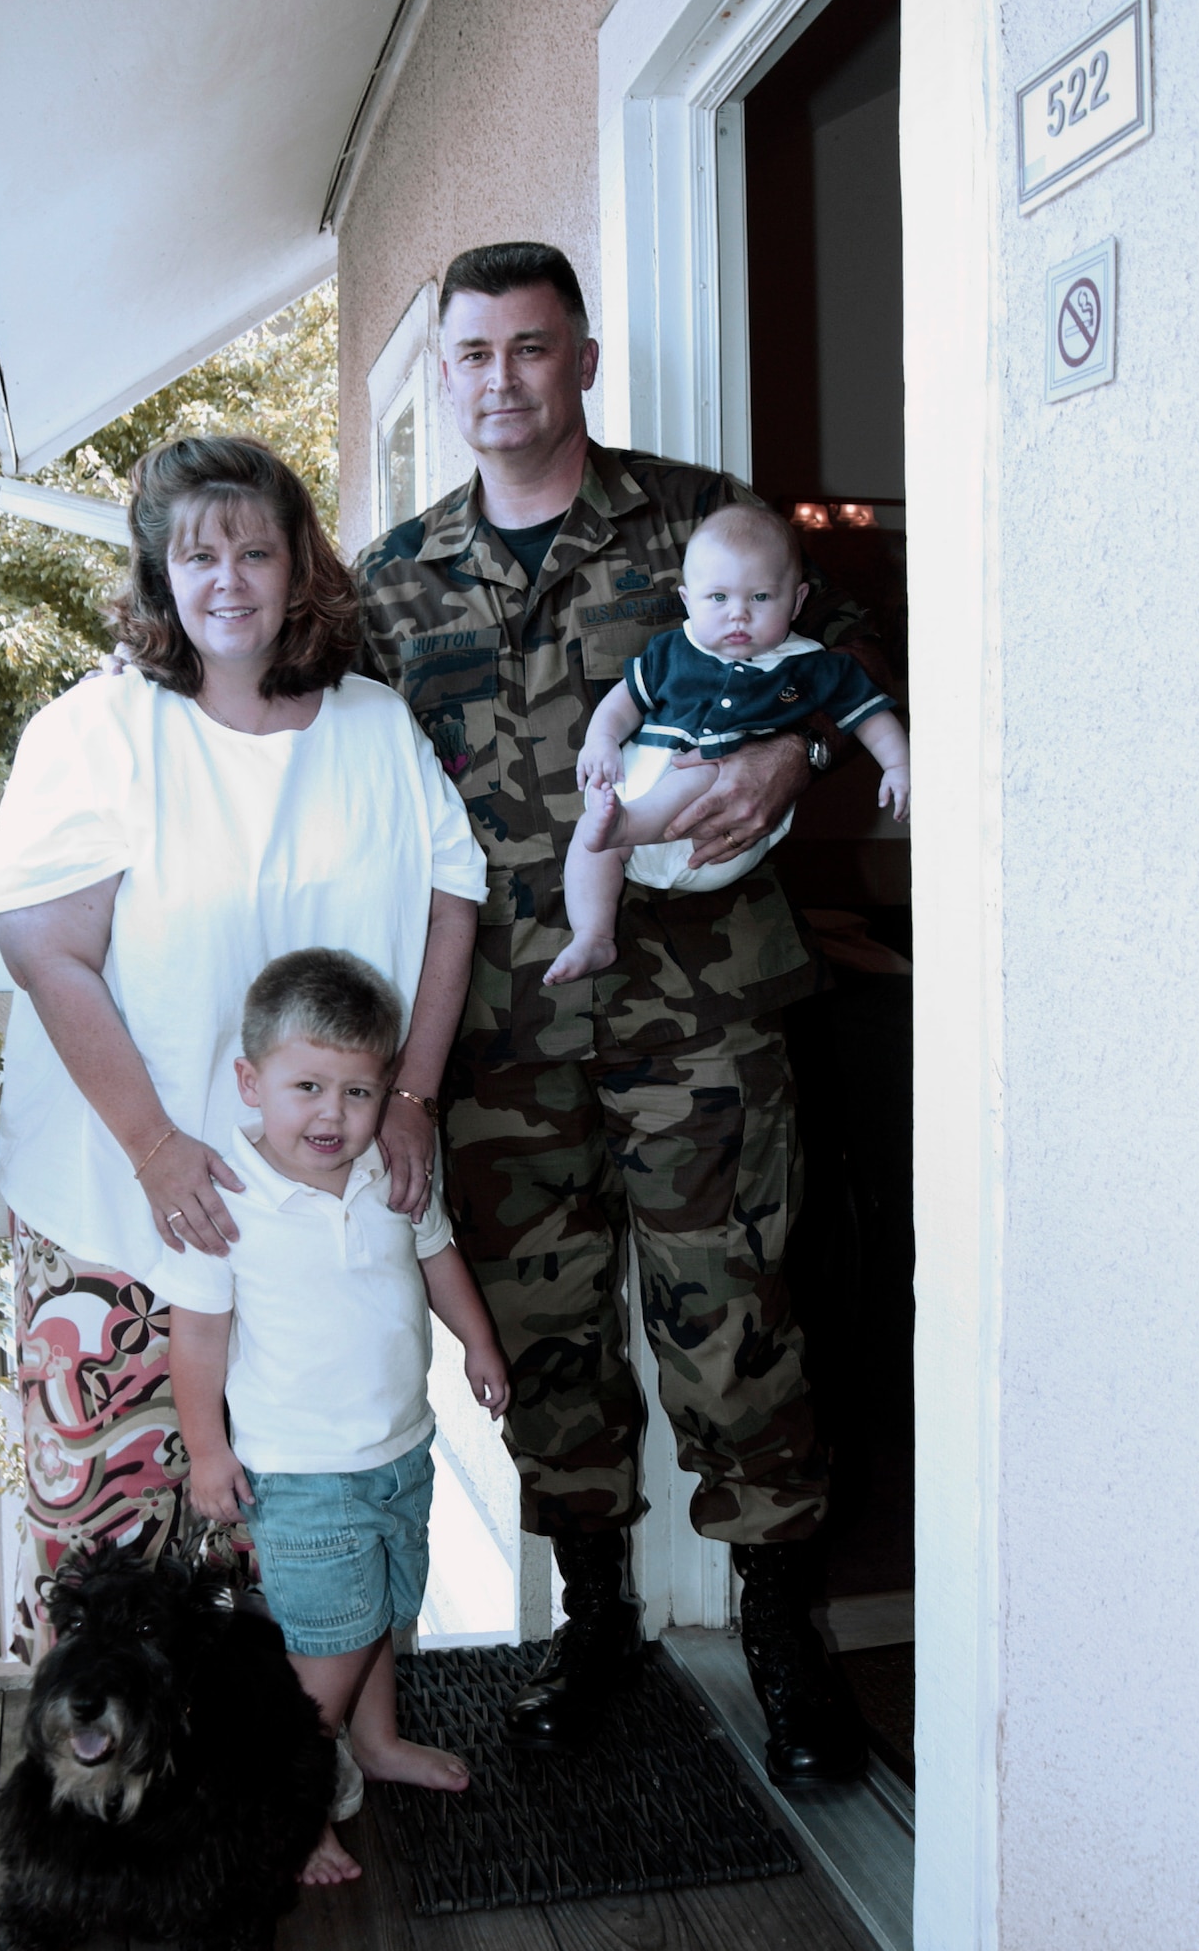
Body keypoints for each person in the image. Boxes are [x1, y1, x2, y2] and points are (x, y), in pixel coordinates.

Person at [355, 242, 877, 1786]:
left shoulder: (696, 525)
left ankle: (786, 1643)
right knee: (546, 1350)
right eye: (471, 354)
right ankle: (595, 1626)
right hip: (498, 1031)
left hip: (699, 1015)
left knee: (737, 1329)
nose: (499, 379)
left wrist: (795, 759)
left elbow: (851, 660)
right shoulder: (392, 578)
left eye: (531, 347)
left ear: (582, 359)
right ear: (446, 373)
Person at [0, 435, 487, 1667]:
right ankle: (113, 1830)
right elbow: (48, 946)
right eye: (195, 553)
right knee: (113, 1557)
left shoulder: (373, 726)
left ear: (297, 564)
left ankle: (287, 1798)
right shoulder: (96, 730)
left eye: (254, 548)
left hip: (312, 1224)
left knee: (305, 1541)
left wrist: (413, 1093)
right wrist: (158, 1144)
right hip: (122, 1209)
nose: (228, 578)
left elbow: (449, 902)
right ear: (159, 577)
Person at [156, 947, 509, 1884]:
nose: (332, 1114)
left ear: (388, 1090)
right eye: (306, 1086)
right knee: (330, 1647)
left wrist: (477, 1343)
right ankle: (292, 1801)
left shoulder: (391, 1173)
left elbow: (437, 1260)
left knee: (378, 1614)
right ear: (251, 1082)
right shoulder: (226, 1201)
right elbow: (195, 1340)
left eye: (358, 1092)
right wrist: (206, 1451)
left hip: (401, 1449)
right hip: (302, 1474)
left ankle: (381, 1743)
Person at [544, 502, 909, 983]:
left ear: (797, 602)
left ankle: (626, 826)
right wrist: (601, 741)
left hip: (720, 840)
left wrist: (899, 766)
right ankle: (594, 936)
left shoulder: (812, 665)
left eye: (760, 597)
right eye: (717, 597)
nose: (738, 614)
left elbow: (870, 715)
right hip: (626, 832)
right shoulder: (674, 651)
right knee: (587, 841)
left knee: (712, 765)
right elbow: (622, 701)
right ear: (687, 599)